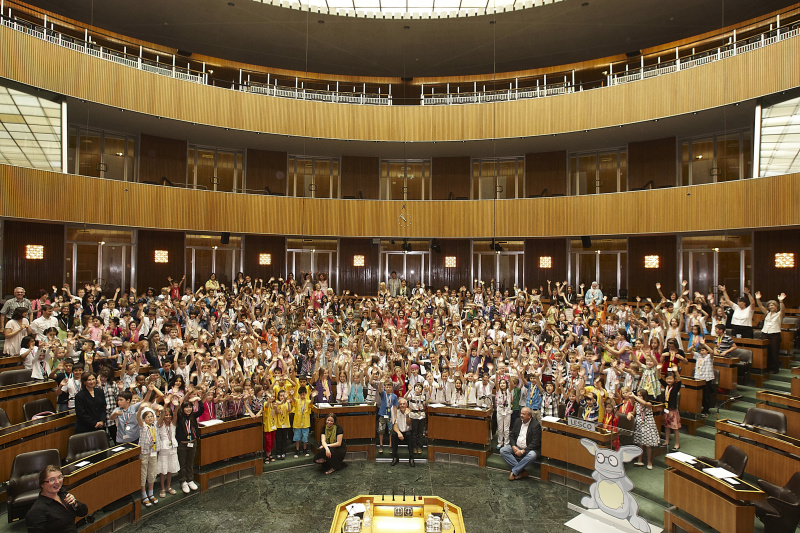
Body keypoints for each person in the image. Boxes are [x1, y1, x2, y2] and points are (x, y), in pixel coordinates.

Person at [25, 465, 88, 533]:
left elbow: (83, 512)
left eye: (59, 477)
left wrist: (76, 503)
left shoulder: (62, 494)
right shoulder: (37, 511)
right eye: (52, 479)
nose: (57, 482)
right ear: (42, 484)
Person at [500, 406, 541, 480]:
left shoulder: (535, 425)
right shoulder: (518, 421)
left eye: (524, 414)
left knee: (532, 455)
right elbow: (512, 435)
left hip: (528, 449)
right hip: (517, 447)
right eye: (521, 413)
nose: (521, 415)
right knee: (503, 450)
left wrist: (523, 451)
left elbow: (535, 443)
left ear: (529, 416)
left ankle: (514, 471)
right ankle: (522, 471)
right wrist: (513, 446)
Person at [755, 291, 786, 374]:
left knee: (774, 352)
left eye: (772, 305)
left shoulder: (779, 314)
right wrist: (758, 299)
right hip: (765, 334)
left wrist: (781, 301)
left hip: (774, 335)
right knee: (766, 352)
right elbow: (760, 306)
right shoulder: (767, 313)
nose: (770, 307)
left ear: (776, 306)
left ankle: (774, 369)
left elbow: (783, 309)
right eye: (769, 305)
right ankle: (766, 368)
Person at [391, 397, 415, 467]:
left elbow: (409, 424)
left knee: (409, 435)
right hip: (399, 432)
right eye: (400, 404)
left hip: (407, 432)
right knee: (394, 434)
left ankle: (411, 458)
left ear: (406, 405)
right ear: (398, 405)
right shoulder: (396, 412)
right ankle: (395, 457)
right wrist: (399, 433)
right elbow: (394, 426)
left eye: (404, 404)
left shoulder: (410, 412)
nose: (402, 405)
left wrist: (407, 415)